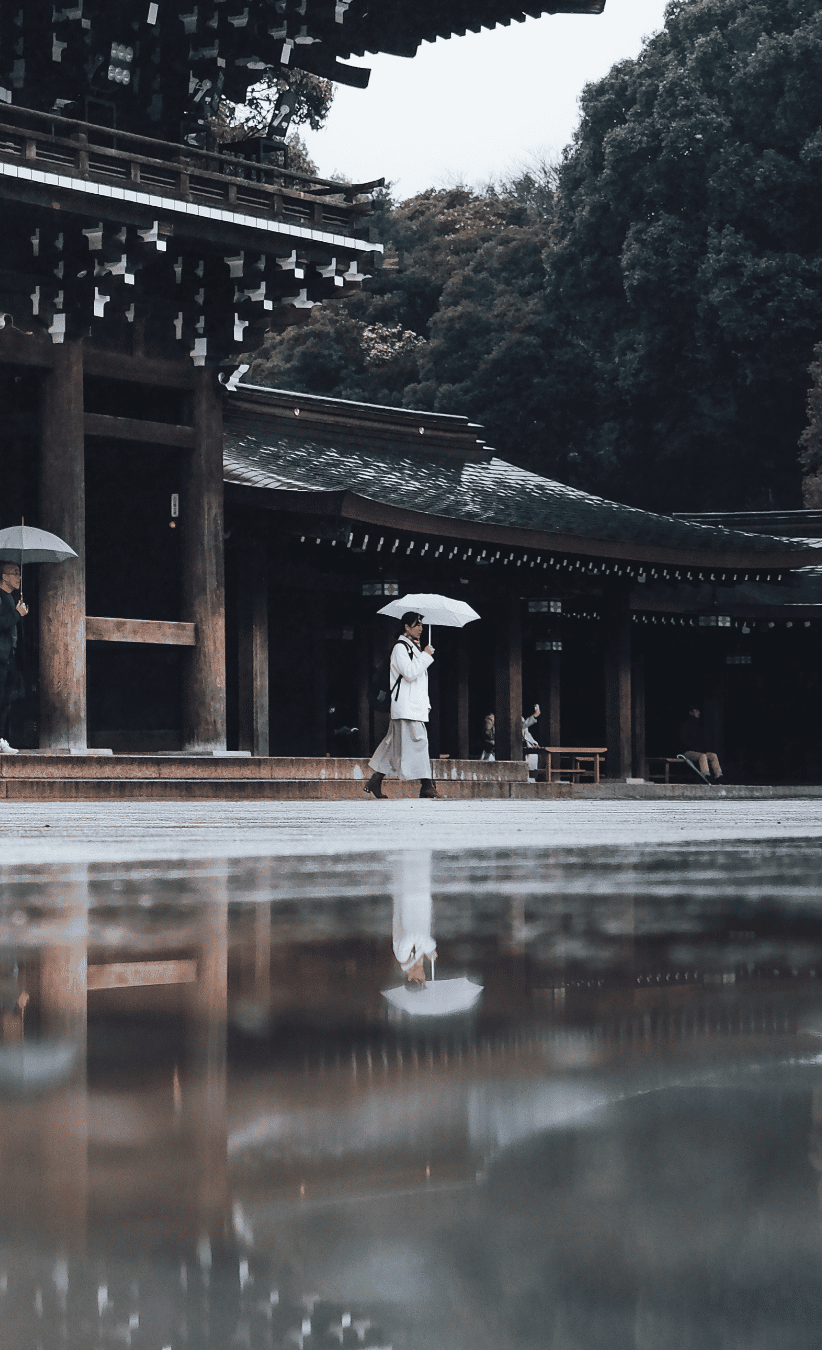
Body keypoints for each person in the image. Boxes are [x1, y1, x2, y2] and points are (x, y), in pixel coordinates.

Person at [364, 611, 441, 800]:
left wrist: (423, 654)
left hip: (411, 706)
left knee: (393, 744)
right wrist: (425, 656)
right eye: (417, 625)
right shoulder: (400, 648)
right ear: (406, 627)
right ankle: (426, 785)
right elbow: (409, 673)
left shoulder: (413, 647)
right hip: (407, 707)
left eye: (422, 625)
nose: (421, 629)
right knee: (420, 742)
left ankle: (376, 779)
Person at [0, 561, 27, 754]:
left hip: (10, 657)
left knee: (7, 699)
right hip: (0, 656)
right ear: (4, 576)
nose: (19, 577)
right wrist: (17, 614)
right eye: (15, 573)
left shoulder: (11, 598)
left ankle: (2, 738)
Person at [678, 705, 723, 783]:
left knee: (713, 755)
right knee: (703, 756)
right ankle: (705, 775)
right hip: (688, 752)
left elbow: (703, 741)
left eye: (698, 711)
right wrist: (698, 749)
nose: (698, 713)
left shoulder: (700, 726)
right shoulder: (685, 726)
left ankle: (718, 776)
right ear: (691, 713)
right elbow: (685, 741)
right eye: (696, 711)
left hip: (699, 752)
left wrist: (705, 749)